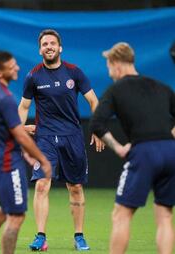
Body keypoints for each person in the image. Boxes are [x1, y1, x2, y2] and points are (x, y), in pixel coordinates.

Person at [18, 29, 105, 251]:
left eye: (52, 43)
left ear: (60, 48)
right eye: (45, 44)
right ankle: (40, 236)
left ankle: (79, 236)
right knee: (41, 185)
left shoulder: (74, 73)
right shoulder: (33, 76)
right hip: (45, 138)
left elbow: (94, 101)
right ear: (40, 49)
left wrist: (97, 129)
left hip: (72, 137)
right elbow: (24, 106)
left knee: (75, 187)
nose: (48, 47)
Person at [90, 42, 175, 254]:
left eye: (109, 67)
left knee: (121, 214)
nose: (109, 73)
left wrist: (119, 148)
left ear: (116, 64)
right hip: (171, 151)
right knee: (164, 216)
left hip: (144, 152)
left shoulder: (115, 89)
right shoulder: (161, 87)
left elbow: (96, 123)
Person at [0, 50, 51, 254]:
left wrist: (21, 149)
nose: (17, 68)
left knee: (3, 212)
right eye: (12, 66)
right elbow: (21, 135)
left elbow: (0, 127)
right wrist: (43, 159)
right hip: (8, 164)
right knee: (16, 216)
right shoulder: (5, 98)